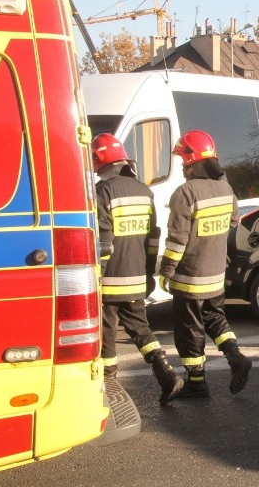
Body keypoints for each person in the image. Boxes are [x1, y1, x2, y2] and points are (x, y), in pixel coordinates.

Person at [91, 133, 184, 406]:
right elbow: (153, 237)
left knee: (107, 335)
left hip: (110, 280)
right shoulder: (144, 191)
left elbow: (103, 243)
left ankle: (108, 389)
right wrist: (147, 273)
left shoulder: (101, 192)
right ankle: (166, 373)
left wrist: (97, 276)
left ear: (98, 161)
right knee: (141, 330)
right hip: (136, 277)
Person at [159, 130, 252, 398]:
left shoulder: (185, 193)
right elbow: (234, 222)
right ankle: (236, 358)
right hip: (215, 274)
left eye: (182, 160)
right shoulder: (226, 189)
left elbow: (177, 240)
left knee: (189, 330)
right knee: (215, 318)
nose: (181, 166)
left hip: (189, 276)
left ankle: (197, 383)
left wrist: (166, 271)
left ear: (190, 161)